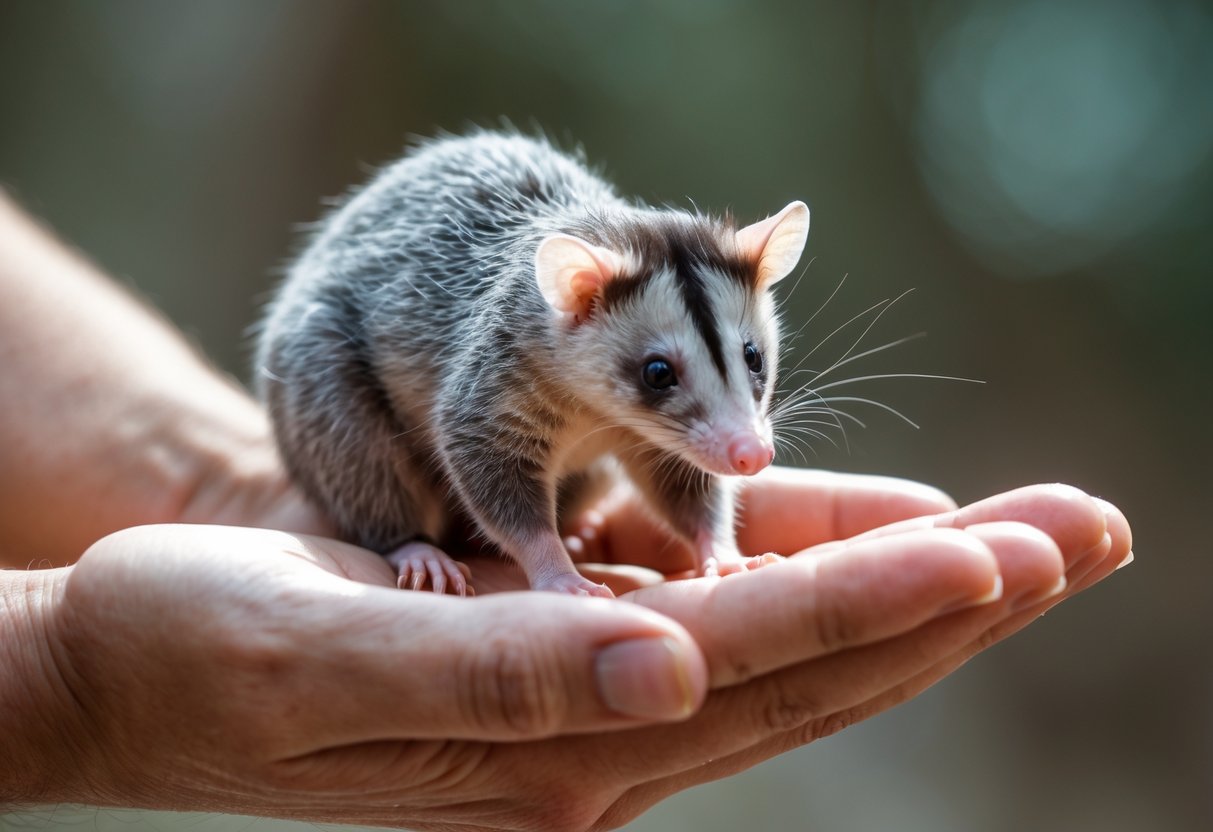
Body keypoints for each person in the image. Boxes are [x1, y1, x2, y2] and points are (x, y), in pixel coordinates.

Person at [0, 191, 1131, 830]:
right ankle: (397, 532)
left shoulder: (637, 333)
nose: (745, 426)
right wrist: (64, 680)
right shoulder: (533, 331)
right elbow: (477, 439)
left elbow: (693, 452)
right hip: (355, 391)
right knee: (468, 434)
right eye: (664, 376)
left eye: (750, 364)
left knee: (659, 456)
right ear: (578, 305)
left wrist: (714, 538)